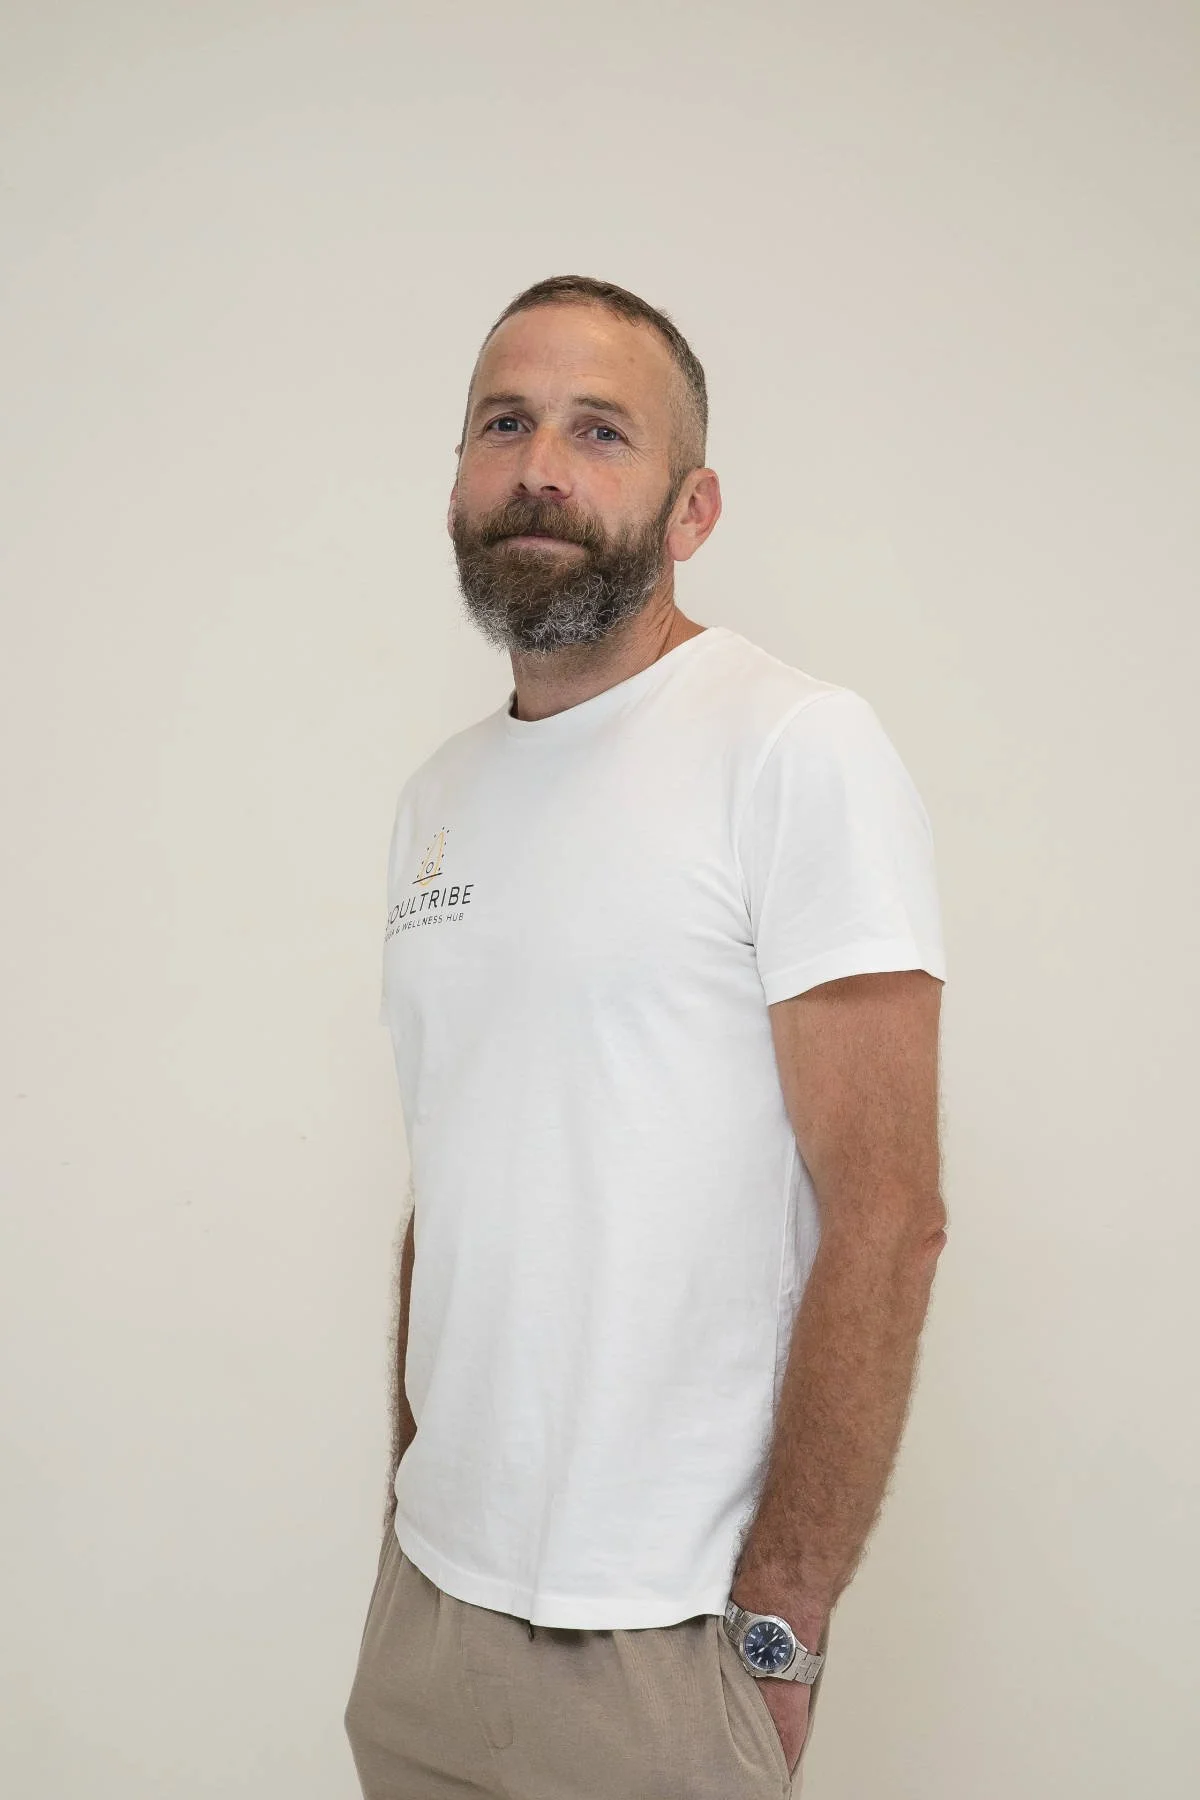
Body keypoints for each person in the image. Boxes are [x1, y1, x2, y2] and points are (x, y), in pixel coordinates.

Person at [345, 275, 948, 1798]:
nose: (541, 462)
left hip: (659, 1647)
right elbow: (459, 1175)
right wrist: (406, 1520)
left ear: (693, 508)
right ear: (459, 486)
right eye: (506, 422)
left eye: (600, 430)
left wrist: (778, 1628)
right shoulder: (438, 795)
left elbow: (888, 1211)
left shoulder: (794, 748)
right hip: (425, 1614)